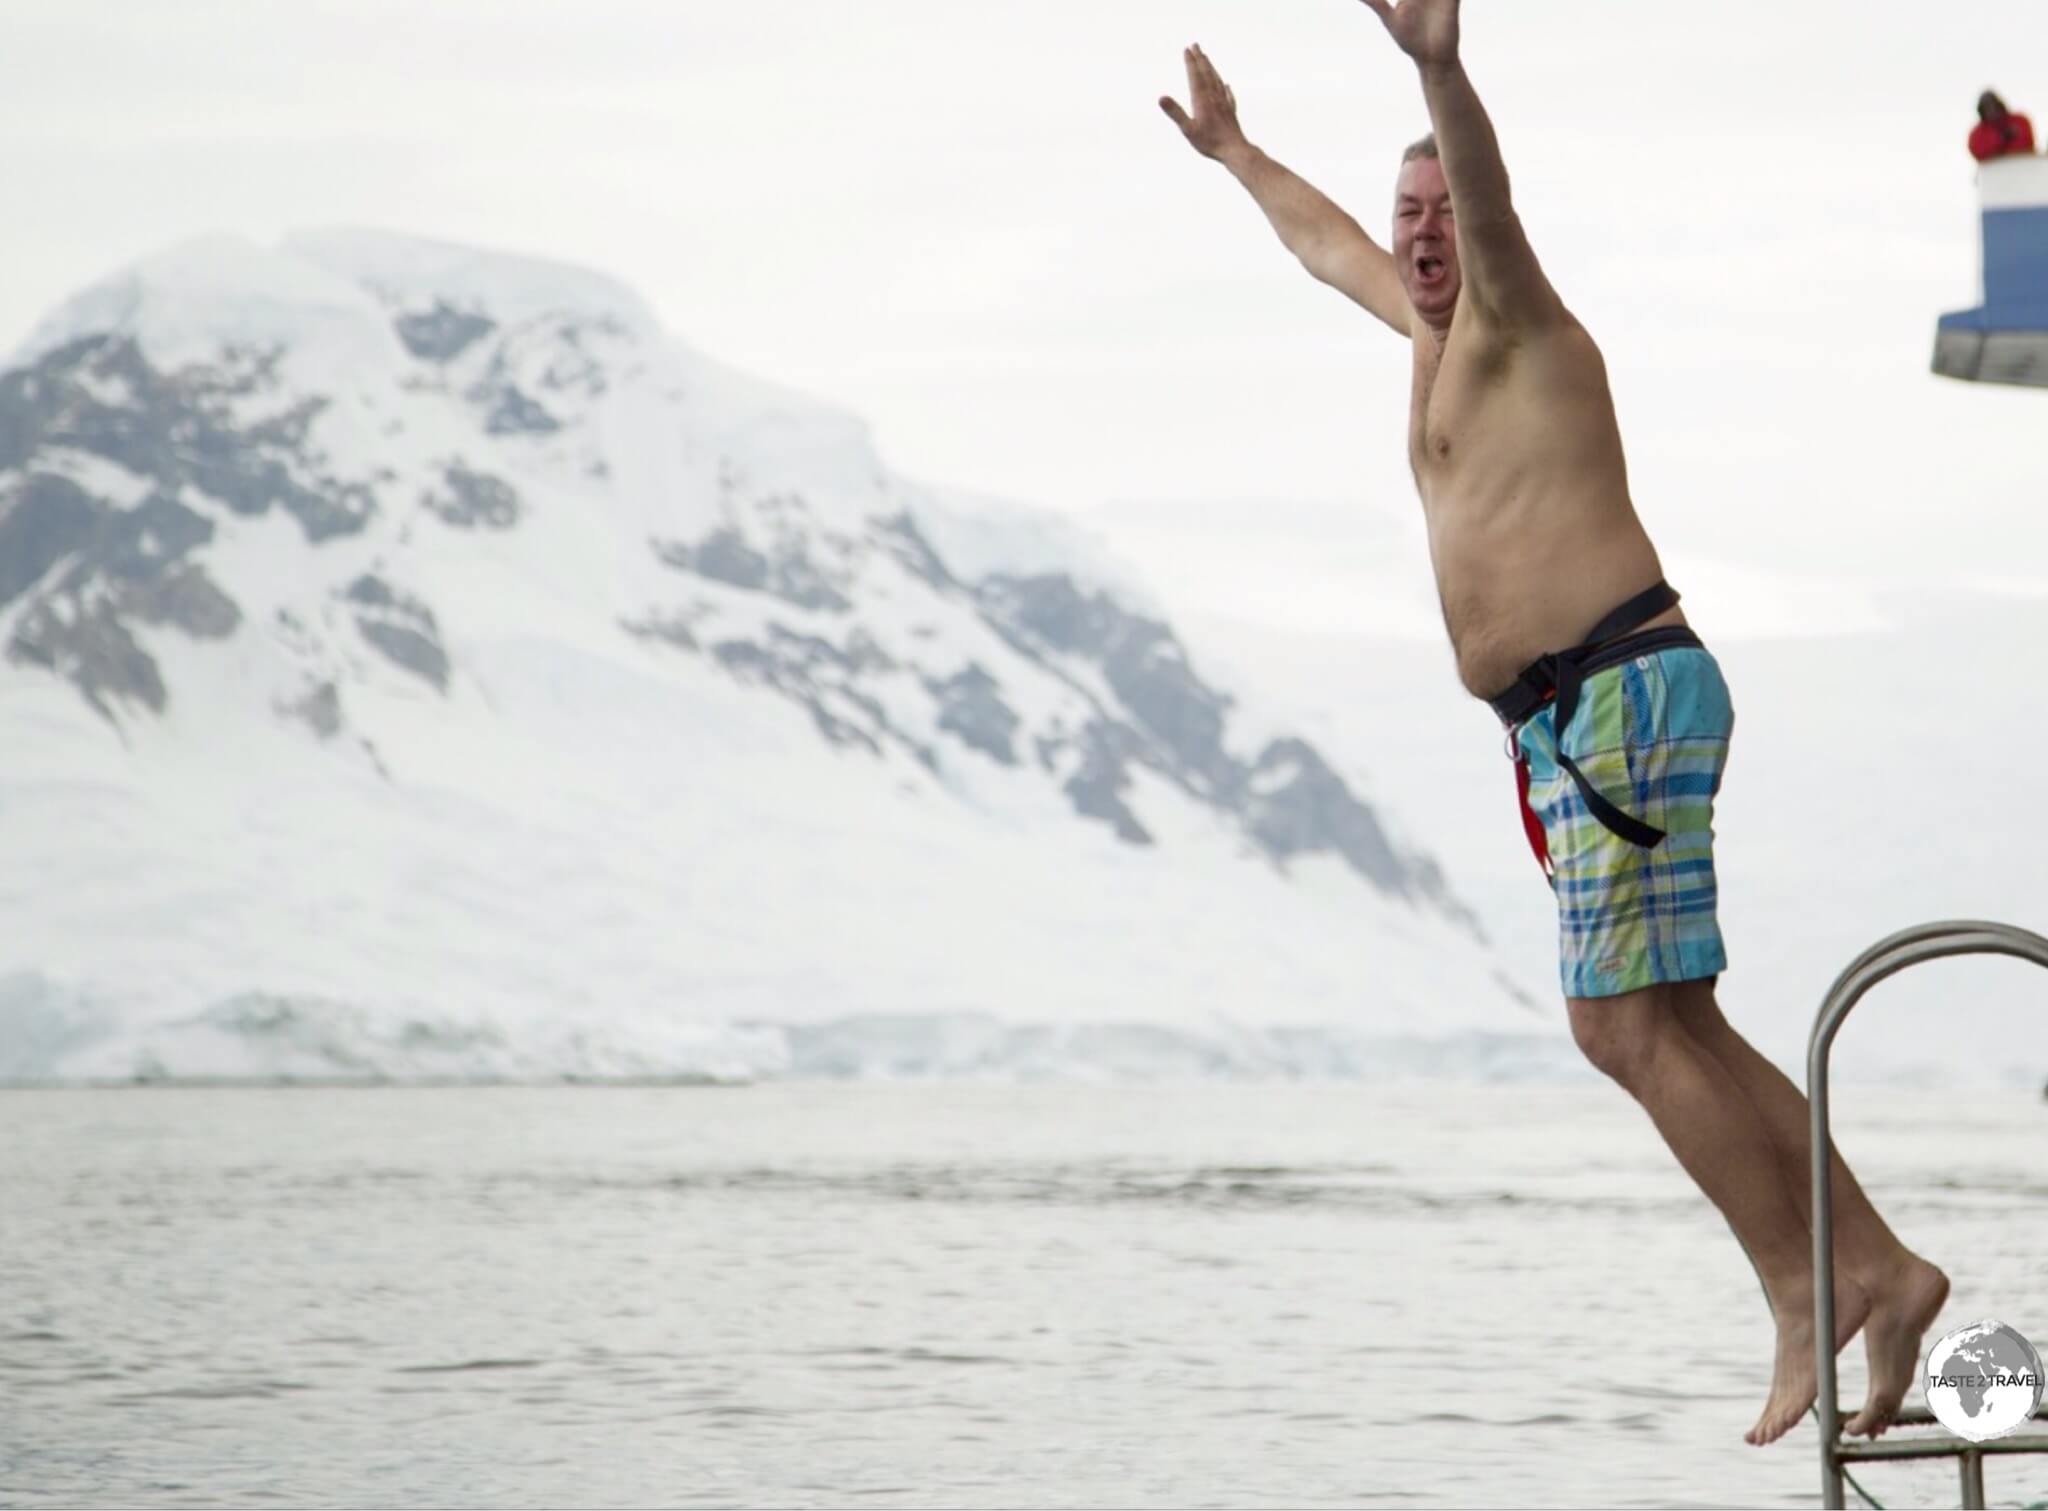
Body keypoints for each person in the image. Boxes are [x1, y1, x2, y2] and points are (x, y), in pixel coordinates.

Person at [1159, 0, 1950, 1448]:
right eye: (1410, 211)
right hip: (1584, 717)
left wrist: (1439, 68)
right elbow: (1326, 238)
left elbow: (1489, 197)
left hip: (1616, 688)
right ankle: (1882, 1266)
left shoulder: (1522, 320)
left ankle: (1803, 1281)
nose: (1418, 233)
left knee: (1618, 1026)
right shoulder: (1424, 328)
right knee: (1674, 1020)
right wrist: (1236, 153)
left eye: (1440, 211)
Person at [1969, 89, 2036, 162]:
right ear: (1982, 111)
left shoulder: (2019, 120)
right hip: (1995, 170)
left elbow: (2026, 142)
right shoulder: (1977, 133)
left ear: (2000, 105)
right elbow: (1978, 150)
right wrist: (2001, 138)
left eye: (1994, 106)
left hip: (2023, 164)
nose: (1992, 110)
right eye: (1987, 108)